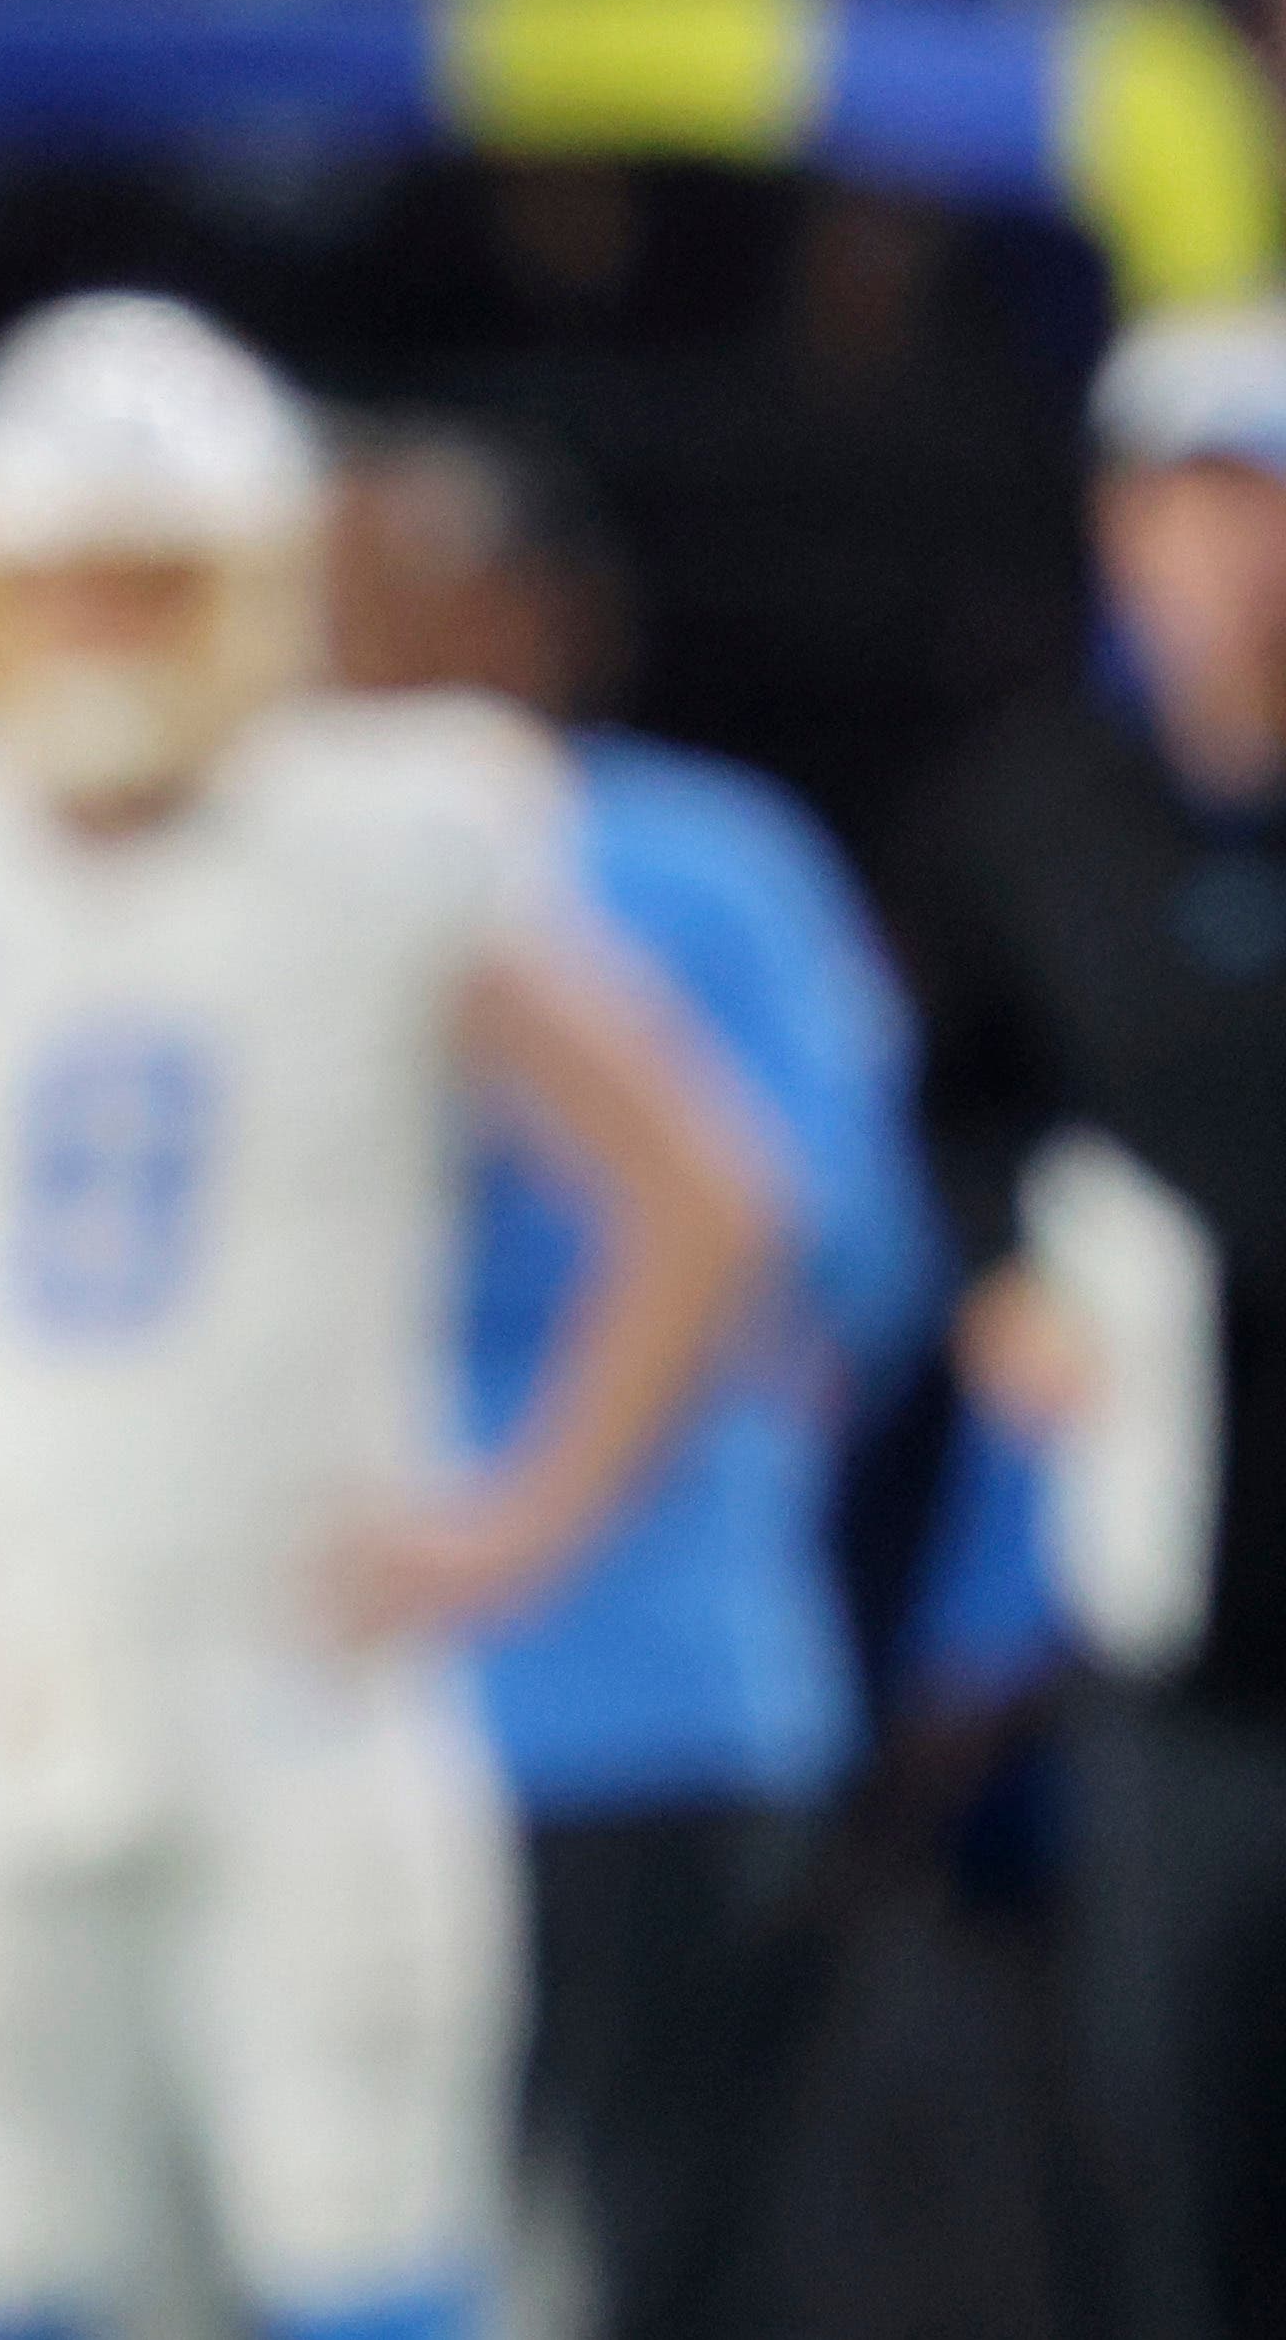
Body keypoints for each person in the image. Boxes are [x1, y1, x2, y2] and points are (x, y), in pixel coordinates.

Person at [0, 299, 771, 2340]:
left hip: (304, 1669)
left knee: (369, 2258)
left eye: (146, 588)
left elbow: (701, 1199)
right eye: (56, 588)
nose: (96, 639)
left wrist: (522, 1519)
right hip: (12, 1663)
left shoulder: (397, 830)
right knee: (2, 2251)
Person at [324, 418, 944, 2340]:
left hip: (640, 1697)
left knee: (660, 2250)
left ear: (541, 622)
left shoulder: (702, 862)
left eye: (402, 595)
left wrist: (539, 1492)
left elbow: (830, 1252)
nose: (353, 639)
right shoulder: (219, 863)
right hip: (313, 1705)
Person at [897, 299, 1286, 2340]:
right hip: (1182, 1612)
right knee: (1168, 2136)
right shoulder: (1033, 813)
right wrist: (999, 1279)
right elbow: (951, 1096)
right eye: (1194, 502)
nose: (1240, 557)